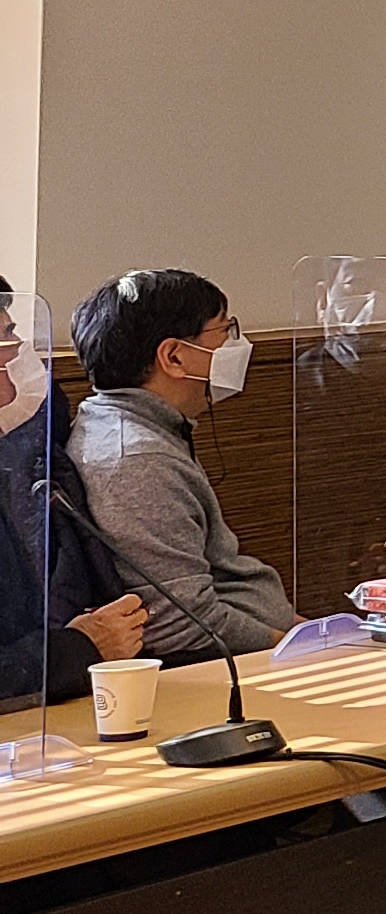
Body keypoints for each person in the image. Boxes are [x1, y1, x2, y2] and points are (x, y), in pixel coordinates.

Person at [66, 269, 299, 659]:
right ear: (174, 356)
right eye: (225, 330)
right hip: (225, 669)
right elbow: (181, 624)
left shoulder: (144, 429)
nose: (235, 345)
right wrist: (303, 650)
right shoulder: (137, 461)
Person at [0, 275, 146, 705]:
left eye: (13, 330)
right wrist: (79, 648)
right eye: (5, 340)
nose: (20, 350)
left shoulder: (35, 447)